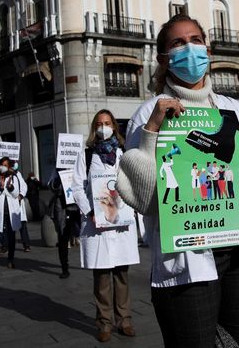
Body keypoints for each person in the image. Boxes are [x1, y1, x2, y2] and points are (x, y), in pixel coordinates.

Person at [116, 14, 239, 348]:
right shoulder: (147, 114)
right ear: (164, 58)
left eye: (195, 40)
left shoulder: (234, 111)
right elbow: (144, 199)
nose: (189, 49)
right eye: (178, 43)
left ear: (207, 48)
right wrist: (153, 131)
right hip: (187, 260)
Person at [72, 109, 140, 342]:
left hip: (121, 223)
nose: (104, 127)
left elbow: (131, 183)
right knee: (102, 277)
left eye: (108, 123)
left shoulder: (123, 153)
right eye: (100, 123)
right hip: (97, 224)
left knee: (121, 275)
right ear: (94, 127)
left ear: (114, 126)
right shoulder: (87, 155)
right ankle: (104, 322)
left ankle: (125, 319)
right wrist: (90, 211)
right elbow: (77, 186)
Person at [0, 157, 25, 269]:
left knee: (12, 236)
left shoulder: (14, 177)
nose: (3, 166)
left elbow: (16, 194)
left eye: (6, 165)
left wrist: (11, 188)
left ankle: (10, 260)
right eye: (1, 164)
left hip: (11, 211)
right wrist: (1, 189)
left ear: (9, 167)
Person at [49, 170, 81, 278]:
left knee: (83, 233)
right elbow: (52, 186)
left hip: (77, 207)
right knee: (63, 238)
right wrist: (59, 178)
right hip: (63, 208)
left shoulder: (79, 167)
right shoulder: (57, 170)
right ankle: (65, 268)